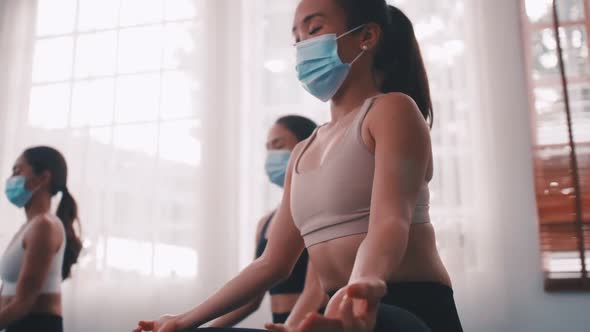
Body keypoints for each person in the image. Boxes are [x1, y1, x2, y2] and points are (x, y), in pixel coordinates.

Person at [135, 0, 463, 331]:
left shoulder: (392, 110)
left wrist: (360, 289)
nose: (303, 44)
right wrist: (183, 321)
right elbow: (271, 264)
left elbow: (390, 221)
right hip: (338, 310)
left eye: (315, 28)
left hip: (404, 307)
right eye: (297, 36)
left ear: (366, 36)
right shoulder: (303, 151)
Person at [207, 115, 326, 328]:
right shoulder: (265, 223)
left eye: (278, 145)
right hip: (280, 324)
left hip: (313, 324)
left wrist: (291, 327)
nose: (271, 154)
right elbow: (252, 299)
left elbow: (316, 291)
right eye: (268, 148)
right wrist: (207, 327)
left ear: (304, 147)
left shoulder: (321, 208)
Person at [0, 146, 83, 332]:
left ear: (43, 178)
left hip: (35, 325)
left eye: (17, 171)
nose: (11, 179)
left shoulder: (44, 226)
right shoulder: (28, 227)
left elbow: (24, 301)